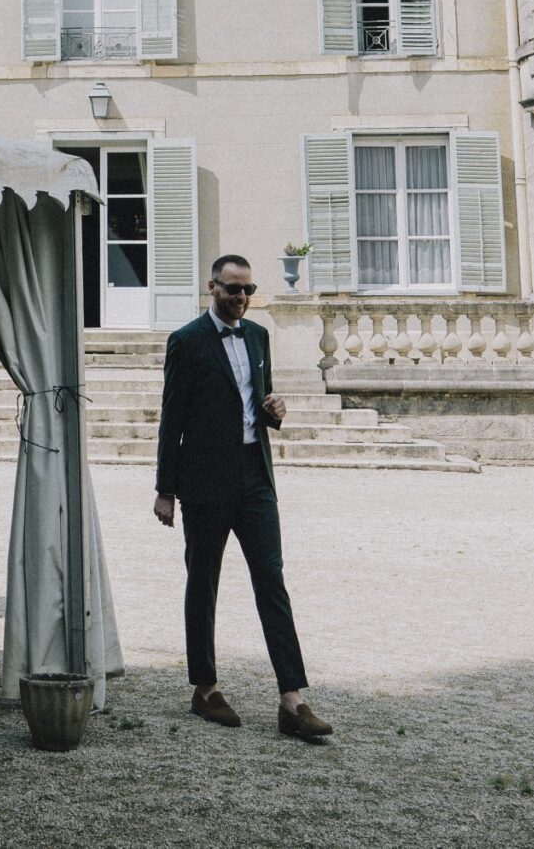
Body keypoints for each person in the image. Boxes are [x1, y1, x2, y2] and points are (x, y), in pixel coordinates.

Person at [153, 254, 332, 743]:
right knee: (203, 582)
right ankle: (205, 688)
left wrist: (275, 410)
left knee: (271, 581)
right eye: (233, 289)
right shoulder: (186, 341)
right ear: (212, 287)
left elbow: (259, 403)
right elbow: (172, 420)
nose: (241, 298)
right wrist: (165, 490)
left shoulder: (257, 336)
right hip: (205, 483)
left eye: (248, 290)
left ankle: (292, 699)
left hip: (255, 478)